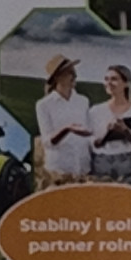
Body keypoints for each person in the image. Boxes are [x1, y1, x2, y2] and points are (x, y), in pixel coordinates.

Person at [32, 56, 93, 184]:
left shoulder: (83, 101)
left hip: (83, 168)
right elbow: (47, 142)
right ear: (57, 77)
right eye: (70, 72)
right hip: (59, 171)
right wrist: (67, 130)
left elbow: (89, 132)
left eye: (74, 71)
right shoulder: (43, 105)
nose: (75, 76)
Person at [93, 63, 131, 184]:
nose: (109, 83)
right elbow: (92, 141)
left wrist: (124, 129)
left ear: (126, 83)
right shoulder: (95, 110)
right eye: (106, 79)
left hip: (127, 160)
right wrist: (106, 132)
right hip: (102, 160)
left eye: (114, 79)